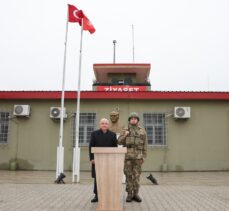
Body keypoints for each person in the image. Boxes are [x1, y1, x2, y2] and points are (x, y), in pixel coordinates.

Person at [118, 112, 147, 203]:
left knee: (137, 176)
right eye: (132, 118)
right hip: (127, 158)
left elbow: (145, 145)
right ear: (129, 120)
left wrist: (144, 157)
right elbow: (119, 142)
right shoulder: (125, 130)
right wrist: (125, 135)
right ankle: (129, 194)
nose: (133, 119)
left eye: (135, 118)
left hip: (138, 158)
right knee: (128, 176)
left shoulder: (142, 131)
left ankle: (136, 194)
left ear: (137, 120)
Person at [89, 118, 117, 203]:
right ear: (100, 125)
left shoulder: (113, 135)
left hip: (109, 160)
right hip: (97, 160)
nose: (104, 125)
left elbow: (115, 148)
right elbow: (91, 146)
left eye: (106, 123)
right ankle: (97, 195)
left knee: (108, 178)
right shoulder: (94, 134)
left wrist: (114, 159)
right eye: (102, 123)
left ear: (108, 125)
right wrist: (92, 158)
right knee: (98, 178)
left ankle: (107, 195)